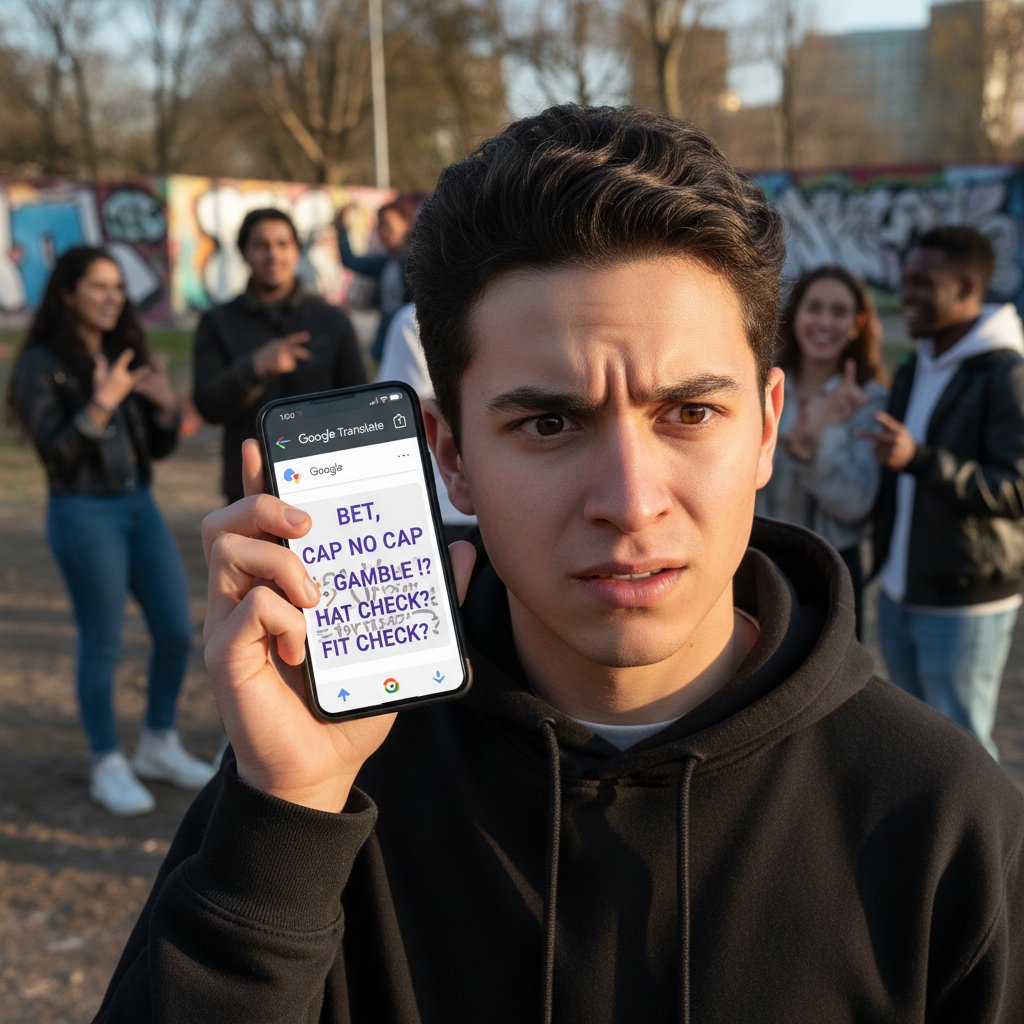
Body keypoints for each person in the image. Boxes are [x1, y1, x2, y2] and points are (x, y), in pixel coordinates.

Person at [96, 108, 1023, 1022]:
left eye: (689, 414)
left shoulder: (941, 818)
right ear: (450, 456)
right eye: (549, 423)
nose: (629, 500)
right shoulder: (327, 780)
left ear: (767, 428)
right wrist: (285, 823)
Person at [6, 246, 214, 817]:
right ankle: (107, 762)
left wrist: (165, 405)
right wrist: (100, 404)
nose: (111, 297)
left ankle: (158, 744)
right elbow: (59, 457)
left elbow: (159, 447)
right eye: (98, 286)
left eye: (118, 287)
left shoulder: (125, 351)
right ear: (68, 292)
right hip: (83, 511)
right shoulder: (41, 363)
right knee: (104, 642)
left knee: (175, 630)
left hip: (138, 504)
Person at [869, 225, 1024, 760]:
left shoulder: (1005, 375)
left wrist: (921, 460)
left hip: (965, 601)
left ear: (967, 289)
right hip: (900, 591)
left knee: (965, 751)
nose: (906, 293)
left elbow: (1016, 489)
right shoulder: (916, 364)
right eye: (905, 279)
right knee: (918, 748)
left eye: (923, 282)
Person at [193, 207, 367, 504]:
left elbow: (358, 404)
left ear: (297, 250)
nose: (273, 255)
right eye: (261, 245)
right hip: (251, 486)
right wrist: (254, 368)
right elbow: (208, 406)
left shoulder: (332, 320)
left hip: (327, 479)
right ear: (244, 252)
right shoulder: (217, 322)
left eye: (282, 244)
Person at [757, 265, 889, 636]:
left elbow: (856, 503)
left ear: (857, 324)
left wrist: (813, 454)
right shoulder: (761, 385)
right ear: (796, 313)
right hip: (761, 557)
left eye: (839, 311)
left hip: (833, 571)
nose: (824, 322)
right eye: (814, 307)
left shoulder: (869, 400)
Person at [376, 301, 476, 543]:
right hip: (441, 504)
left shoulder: (413, 318)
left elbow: (398, 414)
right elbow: (406, 410)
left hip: (439, 504)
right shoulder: (414, 319)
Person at [335, 198, 414, 363]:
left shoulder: (419, 260)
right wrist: (342, 229)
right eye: (379, 226)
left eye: (386, 224)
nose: (382, 231)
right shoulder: (385, 262)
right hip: (386, 338)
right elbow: (351, 261)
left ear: (405, 222)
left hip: (411, 339)